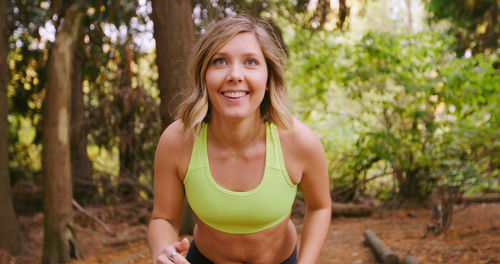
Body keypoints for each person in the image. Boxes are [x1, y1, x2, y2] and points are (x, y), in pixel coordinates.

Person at [148, 15, 331, 264]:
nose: (235, 75)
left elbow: (320, 207)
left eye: (250, 62)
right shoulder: (178, 140)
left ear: (268, 78)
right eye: (220, 61)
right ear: (204, 75)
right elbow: (164, 218)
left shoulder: (300, 142)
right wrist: (164, 253)